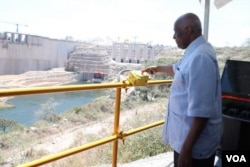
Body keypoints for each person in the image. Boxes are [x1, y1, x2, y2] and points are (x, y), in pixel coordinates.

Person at [142, 13, 222, 167]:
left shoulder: (200, 57)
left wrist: (186, 150)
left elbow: (202, 111)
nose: (173, 37)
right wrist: (156, 68)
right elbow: (178, 68)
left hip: (193, 148)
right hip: (186, 141)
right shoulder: (196, 51)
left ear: (188, 30)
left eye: (176, 32)